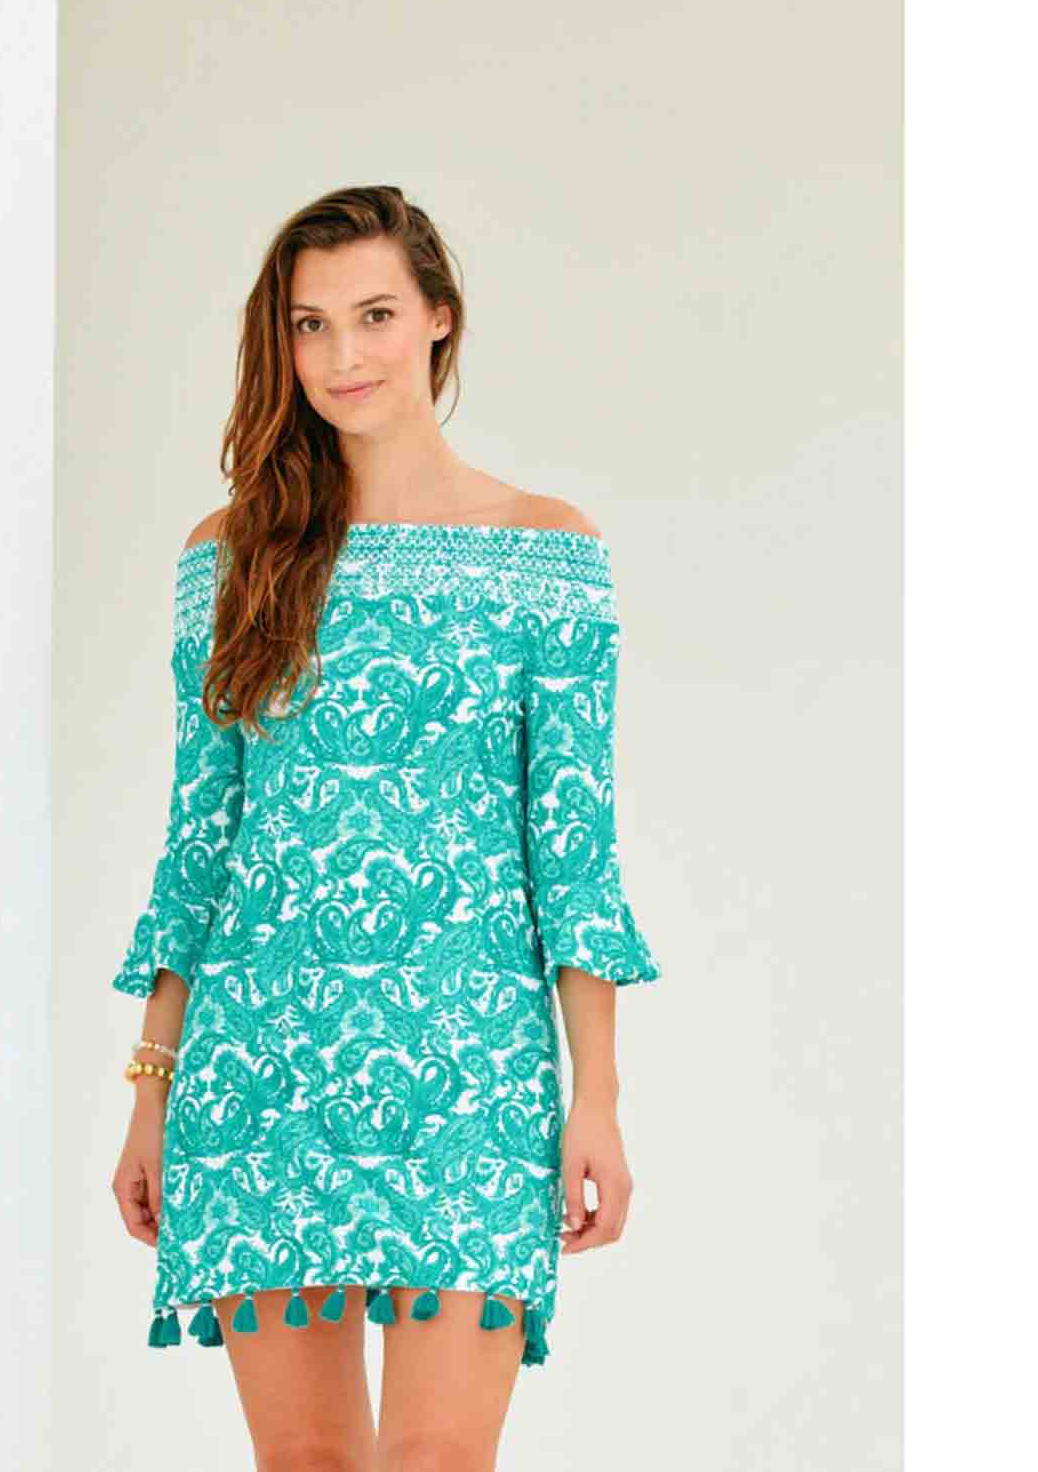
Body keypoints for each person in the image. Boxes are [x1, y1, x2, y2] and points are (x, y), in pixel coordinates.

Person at [110, 184, 662, 1470]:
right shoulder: (234, 556)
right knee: (306, 1464)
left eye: (373, 316)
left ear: (438, 320)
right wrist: (151, 1092)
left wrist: (598, 1100)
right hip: (258, 1067)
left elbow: (573, 852)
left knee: (437, 1460)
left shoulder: (545, 554)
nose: (341, 355)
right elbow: (200, 849)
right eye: (309, 325)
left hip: (472, 1070)